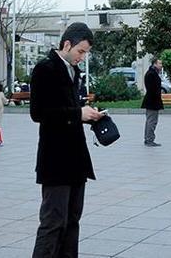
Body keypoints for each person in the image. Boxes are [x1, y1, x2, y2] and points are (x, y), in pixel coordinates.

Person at [31, 22, 104, 258]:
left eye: (86, 53)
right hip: (55, 160)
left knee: (73, 221)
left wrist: (86, 114)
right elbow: (39, 113)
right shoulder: (46, 68)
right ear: (67, 44)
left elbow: (65, 109)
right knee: (53, 223)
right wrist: (76, 113)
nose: (82, 57)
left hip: (76, 160)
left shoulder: (74, 71)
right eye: (80, 51)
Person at [141, 58, 164, 147]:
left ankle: (148, 139)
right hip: (152, 102)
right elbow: (152, 89)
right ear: (155, 64)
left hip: (152, 101)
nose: (161, 65)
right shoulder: (151, 74)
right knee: (152, 121)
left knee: (150, 121)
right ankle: (149, 139)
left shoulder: (152, 73)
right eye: (160, 63)